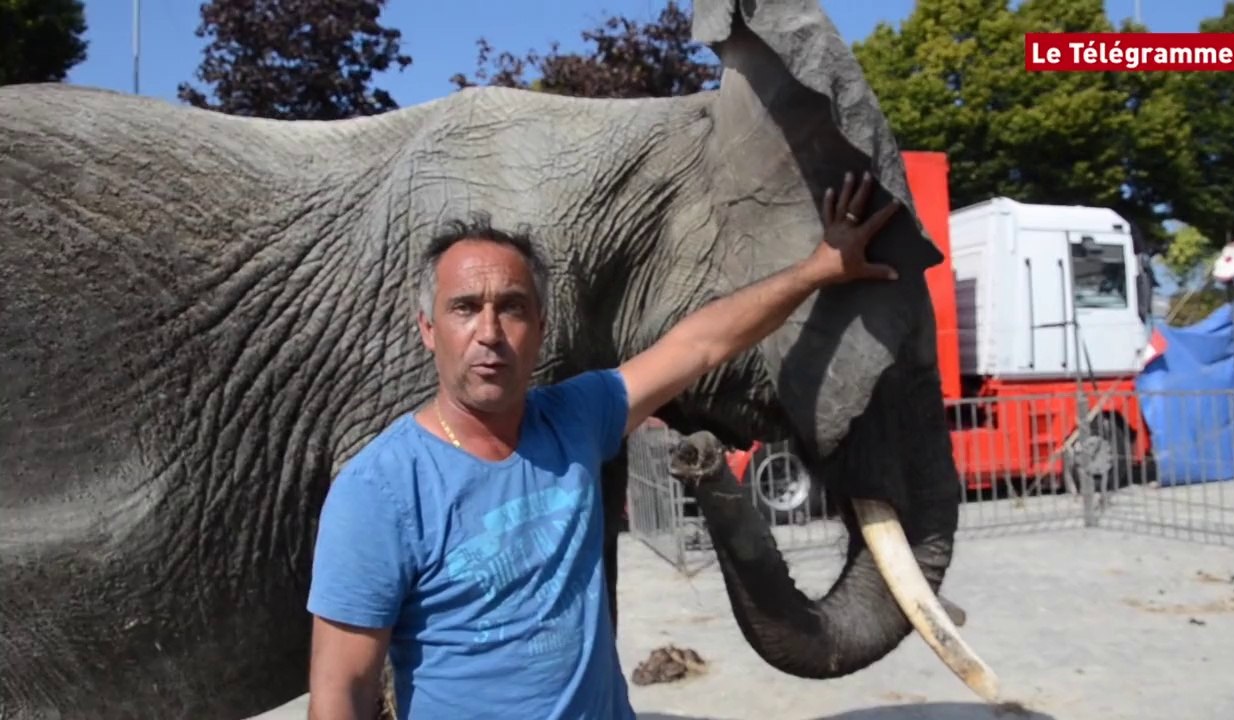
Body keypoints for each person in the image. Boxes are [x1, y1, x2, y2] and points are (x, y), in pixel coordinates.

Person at [305, 170, 901, 720]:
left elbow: (700, 345)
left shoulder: (576, 418)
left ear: (541, 328)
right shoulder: (378, 490)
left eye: (511, 308)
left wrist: (816, 270)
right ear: (428, 329)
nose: (489, 333)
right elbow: (341, 692)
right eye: (465, 308)